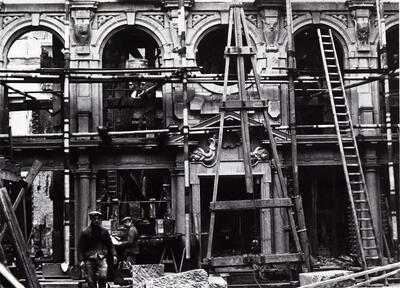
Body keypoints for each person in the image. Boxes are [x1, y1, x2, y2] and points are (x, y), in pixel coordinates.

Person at [78, 211, 117, 288]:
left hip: (101, 257)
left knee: (103, 276)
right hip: (89, 258)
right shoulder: (85, 232)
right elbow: (80, 247)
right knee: (90, 279)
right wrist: (81, 260)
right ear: (91, 219)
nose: (96, 221)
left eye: (98, 219)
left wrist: (114, 255)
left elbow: (110, 244)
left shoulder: (104, 232)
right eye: (94, 219)